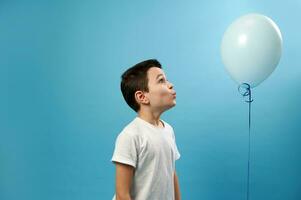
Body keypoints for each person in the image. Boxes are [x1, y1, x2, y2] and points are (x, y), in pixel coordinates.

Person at [111, 59, 181, 200]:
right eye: (161, 80)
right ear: (142, 97)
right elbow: (121, 194)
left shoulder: (168, 130)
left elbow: (171, 172)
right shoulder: (130, 135)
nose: (170, 85)